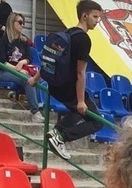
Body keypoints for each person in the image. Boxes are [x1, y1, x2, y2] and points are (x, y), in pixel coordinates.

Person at [46, 0, 106, 162]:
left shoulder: (68, 32)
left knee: (78, 110)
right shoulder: (84, 39)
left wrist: (35, 78)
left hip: (55, 85)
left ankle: (56, 132)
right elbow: (80, 72)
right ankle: (61, 137)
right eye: (95, 17)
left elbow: (51, 58)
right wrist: (80, 101)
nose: (97, 21)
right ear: (84, 16)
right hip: (69, 88)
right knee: (97, 122)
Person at [0, 11, 40, 103]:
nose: (22, 25)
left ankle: (41, 105)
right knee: (28, 80)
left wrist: (22, 62)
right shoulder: (3, 40)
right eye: (20, 22)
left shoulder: (24, 40)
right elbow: (2, 62)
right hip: (6, 71)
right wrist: (16, 69)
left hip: (23, 70)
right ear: (12, 23)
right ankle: (35, 109)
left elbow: (29, 58)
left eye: (23, 23)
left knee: (39, 79)